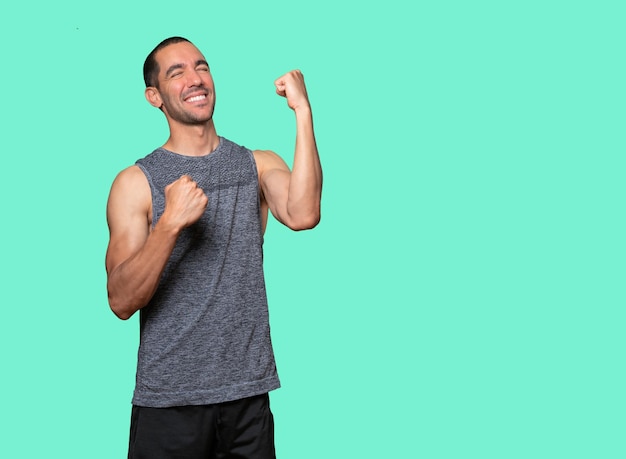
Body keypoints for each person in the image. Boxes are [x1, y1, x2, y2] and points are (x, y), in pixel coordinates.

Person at [105, 36, 322, 459]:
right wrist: (168, 225)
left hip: (247, 399)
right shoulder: (135, 183)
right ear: (155, 97)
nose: (195, 78)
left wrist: (303, 112)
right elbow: (120, 300)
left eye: (201, 66)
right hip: (168, 402)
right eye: (177, 72)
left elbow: (304, 213)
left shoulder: (257, 165)